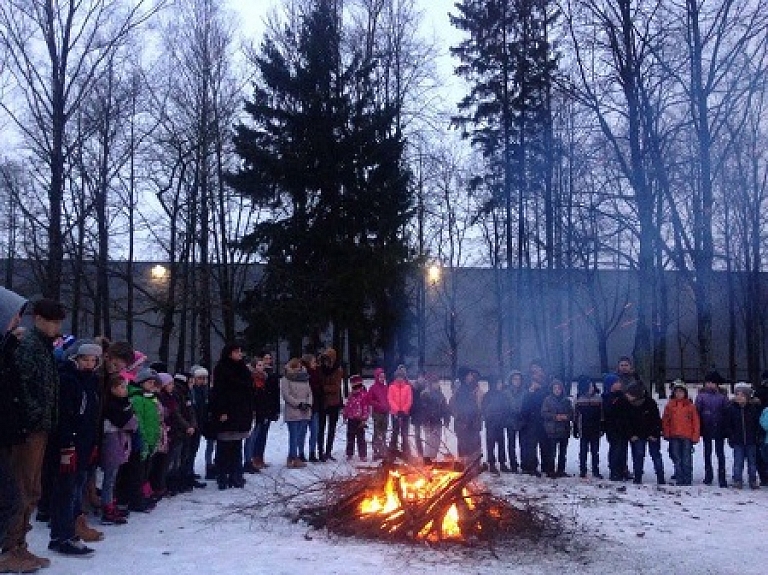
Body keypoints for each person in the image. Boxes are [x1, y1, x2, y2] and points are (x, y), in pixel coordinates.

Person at [3, 298, 65, 570]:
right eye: (52, 320)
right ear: (38, 319)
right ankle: (11, 546)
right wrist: (36, 416)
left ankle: (20, 545)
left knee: (32, 488)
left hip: (39, 427)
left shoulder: (42, 346)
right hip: (29, 429)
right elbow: (24, 387)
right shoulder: (29, 347)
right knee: (22, 487)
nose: (56, 326)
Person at [48, 341, 103, 556]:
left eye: (92, 360)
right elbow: (65, 416)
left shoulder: (91, 382)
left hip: (85, 443)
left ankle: (64, 533)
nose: (89, 364)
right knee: (66, 490)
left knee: (76, 488)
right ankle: (63, 535)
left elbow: (92, 416)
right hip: (70, 444)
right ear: (76, 359)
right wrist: (67, 444)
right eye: (85, 359)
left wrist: (93, 443)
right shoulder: (68, 381)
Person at [0, 288, 33, 574]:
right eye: (14, 315)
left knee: (11, 497)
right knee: (9, 498)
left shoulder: (6, 350)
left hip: (6, 436)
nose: (17, 322)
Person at [209, 343, 253, 489]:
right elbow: (218, 392)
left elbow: (248, 388)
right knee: (223, 446)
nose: (240, 354)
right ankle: (222, 476)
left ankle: (236, 475)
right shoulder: (221, 369)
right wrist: (221, 411)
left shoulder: (243, 369)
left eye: (240, 351)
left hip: (240, 412)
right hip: (226, 412)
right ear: (229, 353)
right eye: (237, 352)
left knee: (237, 446)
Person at [100, 373, 136, 525]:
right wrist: (132, 422)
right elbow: (125, 421)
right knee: (109, 477)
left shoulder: (123, 403)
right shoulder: (112, 405)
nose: (125, 390)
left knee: (113, 476)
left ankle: (111, 503)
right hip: (112, 441)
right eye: (121, 387)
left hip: (120, 441)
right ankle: (106, 507)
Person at [624, 382, 665, 485]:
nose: (627, 396)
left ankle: (660, 477)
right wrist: (631, 435)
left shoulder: (650, 403)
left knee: (655, 455)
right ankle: (637, 477)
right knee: (638, 455)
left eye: (629, 394)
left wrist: (654, 434)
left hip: (652, 434)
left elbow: (656, 420)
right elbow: (627, 422)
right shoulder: (628, 405)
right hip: (637, 435)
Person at [662, 381, 700, 486]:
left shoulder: (690, 406)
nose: (678, 394)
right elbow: (666, 421)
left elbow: (695, 422)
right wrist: (666, 433)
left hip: (687, 436)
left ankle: (687, 479)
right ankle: (679, 478)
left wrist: (695, 436)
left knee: (687, 459)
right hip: (674, 436)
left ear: (685, 393)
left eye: (681, 392)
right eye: (676, 392)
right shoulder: (670, 406)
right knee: (676, 458)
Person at [695, 371, 729, 487]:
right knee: (707, 452)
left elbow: (726, 412)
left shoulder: (723, 396)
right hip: (706, 427)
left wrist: (725, 426)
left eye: (712, 383)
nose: (709, 385)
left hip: (719, 427)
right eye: (708, 382)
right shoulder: (701, 396)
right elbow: (697, 411)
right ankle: (708, 475)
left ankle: (722, 477)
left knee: (720, 453)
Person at [724, 383, 761, 489]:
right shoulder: (732, 409)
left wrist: (757, 436)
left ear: (747, 397)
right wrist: (731, 436)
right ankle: (737, 480)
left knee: (752, 462)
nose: (739, 397)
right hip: (738, 440)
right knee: (738, 462)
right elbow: (728, 425)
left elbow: (757, 424)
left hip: (751, 440)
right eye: (737, 394)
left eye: (742, 395)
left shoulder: (753, 409)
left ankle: (753, 480)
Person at [281, 358, 313, 468]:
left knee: (301, 435)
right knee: (293, 436)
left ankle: (296, 455)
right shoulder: (286, 379)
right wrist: (298, 404)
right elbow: (286, 395)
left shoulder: (305, 378)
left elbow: (309, 392)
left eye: (300, 366)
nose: (299, 368)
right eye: (297, 366)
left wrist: (308, 403)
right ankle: (292, 457)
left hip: (305, 410)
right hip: (293, 411)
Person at [519, 360, 549, 476]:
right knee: (531, 445)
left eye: (537, 369)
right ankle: (531, 466)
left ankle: (547, 466)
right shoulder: (527, 385)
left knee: (545, 444)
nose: (536, 372)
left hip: (544, 419)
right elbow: (524, 403)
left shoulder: (546, 384)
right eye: (533, 369)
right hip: (531, 420)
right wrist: (531, 391)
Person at [450, 366, 483, 466]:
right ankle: (466, 467)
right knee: (465, 449)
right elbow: (456, 409)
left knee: (474, 448)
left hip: (473, 425)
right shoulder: (461, 391)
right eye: (469, 374)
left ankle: (474, 467)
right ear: (464, 376)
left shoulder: (472, 389)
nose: (471, 376)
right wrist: (464, 420)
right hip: (464, 426)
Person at [541, 379, 573, 478]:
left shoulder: (567, 400)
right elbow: (543, 413)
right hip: (552, 430)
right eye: (555, 388)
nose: (557, 390)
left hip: (564, 429)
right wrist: (555, 417)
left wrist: (566, 417)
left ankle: (561, 470)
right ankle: (550, 470)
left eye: (559, 388)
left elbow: (572, 413)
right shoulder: (547, 400)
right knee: (552, 452)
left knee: (563, 452)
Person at [573, 375, 603, 479]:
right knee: (583, 451)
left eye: (592, 386)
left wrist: (602, 426)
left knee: (595, 451)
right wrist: (576, 427)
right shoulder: (579, 399)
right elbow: (575, 414)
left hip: (595, 429)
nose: (591, 388)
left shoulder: (599, 399)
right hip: (583, 429)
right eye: (588, 386)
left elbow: (602, 414)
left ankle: (595, 470)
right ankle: (582, 470)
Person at [602, 373, 630, 481]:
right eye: (616, 382)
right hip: (613, 428)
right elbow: (609, 411)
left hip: (623, 427)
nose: (619, 384)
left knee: (623, 449)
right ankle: (614, 471)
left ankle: (623, 469)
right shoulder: (607, 397)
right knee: (615, 449)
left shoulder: (622, 396)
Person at [318, 348, 344, 461]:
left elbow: (336, 387)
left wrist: (324, 388)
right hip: (322, 402)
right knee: (321, 427)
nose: (326, 362)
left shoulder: (338, 370)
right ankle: (320, 451)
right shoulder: (320, 369)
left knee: (332, 428)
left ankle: (328, 451)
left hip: (333, 402)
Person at [419, 373, 450, 464]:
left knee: (436, 442)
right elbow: (423, 409)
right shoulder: (425, 394)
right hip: (429, 422)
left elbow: (445, 408)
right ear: (430, 383)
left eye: (437, 382)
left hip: (437, 421)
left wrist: (446, 418)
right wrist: (427, 419)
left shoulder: (440, 395)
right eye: (435, 382)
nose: (437, 384)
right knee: (430, 441)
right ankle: (427, 459)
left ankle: (433, 458)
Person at [481, 376, 509, 474]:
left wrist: (504, 418)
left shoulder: (502, 395)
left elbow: (506, 408)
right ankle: (491, 463)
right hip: (491, 424)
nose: (500, 385)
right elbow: (484, 410)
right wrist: (491, 417)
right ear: (493, 384)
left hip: (500, 424)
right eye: (498, 383)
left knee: (501, 444)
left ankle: (502, 463)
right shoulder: (487, 396)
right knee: (491, 445)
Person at [501, 370, 525, 473]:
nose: (517, 381)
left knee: (523, 444)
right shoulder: (506, 393)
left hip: (522, 421)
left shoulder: (524, 392)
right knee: (511, 444)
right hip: (510, 421)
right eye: (515, 379)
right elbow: (504, 407)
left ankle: (524, 463)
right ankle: (513, 464)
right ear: (511, 380)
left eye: (519, 379)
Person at [388, 365, 413, 461]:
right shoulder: (391, 387)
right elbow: (390, 399)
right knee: (395, 433)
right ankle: (392, 452)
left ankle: (406, 452)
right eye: (398, 377)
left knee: (405, 433)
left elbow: (409, 400)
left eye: (401, 377)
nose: (399, 379)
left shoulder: (407, 387)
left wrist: (404, 410)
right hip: (395, 414)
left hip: (405, 414)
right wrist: (397, 410)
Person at [342, 375, 370, 462]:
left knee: (361, 438)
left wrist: (364, 418)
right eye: (354, 387)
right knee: (350, 437)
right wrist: (345, 414)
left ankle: (363, 455)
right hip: (351, 419)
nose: (356, 389)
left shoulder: (364, 396)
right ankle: (349, 453)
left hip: (360, 419)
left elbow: (366, 408)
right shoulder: (351, 395)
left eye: (358, 386)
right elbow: (348, 406)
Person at [301, 354, 322, 462]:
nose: (315, 364)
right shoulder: (304, 375)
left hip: (315, 406)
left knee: (315, 431)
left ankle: (312, 452)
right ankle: (300, 452)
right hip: (306, 406)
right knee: (303, 431)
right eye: (313, 362)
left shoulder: (317, 373)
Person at [367, 368, 389, 461]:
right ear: (377, 377)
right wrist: (378, 404)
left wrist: (388, 406)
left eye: (383, 377)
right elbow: (369, 400)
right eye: (380, 377)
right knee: (377, 432)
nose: (382, 378)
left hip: (385, 413)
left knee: (384, 432)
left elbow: (389, 398)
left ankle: (383, 450)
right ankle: (375, 450)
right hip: (377, 413)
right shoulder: (373, 388)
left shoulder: (386, 388)